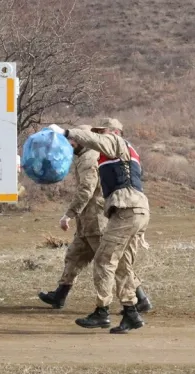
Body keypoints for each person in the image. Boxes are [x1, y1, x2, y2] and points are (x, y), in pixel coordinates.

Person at [48, 118, 150, 334]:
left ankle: (102, 312)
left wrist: (67, 133)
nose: (99, 136)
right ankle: (131, 313)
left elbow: (96, 144)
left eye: (102, 132)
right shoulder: (119, 152)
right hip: (134, 210)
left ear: (114, 132)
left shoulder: (117, 143)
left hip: (127, 210)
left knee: (103, 260)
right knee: (121, 264)